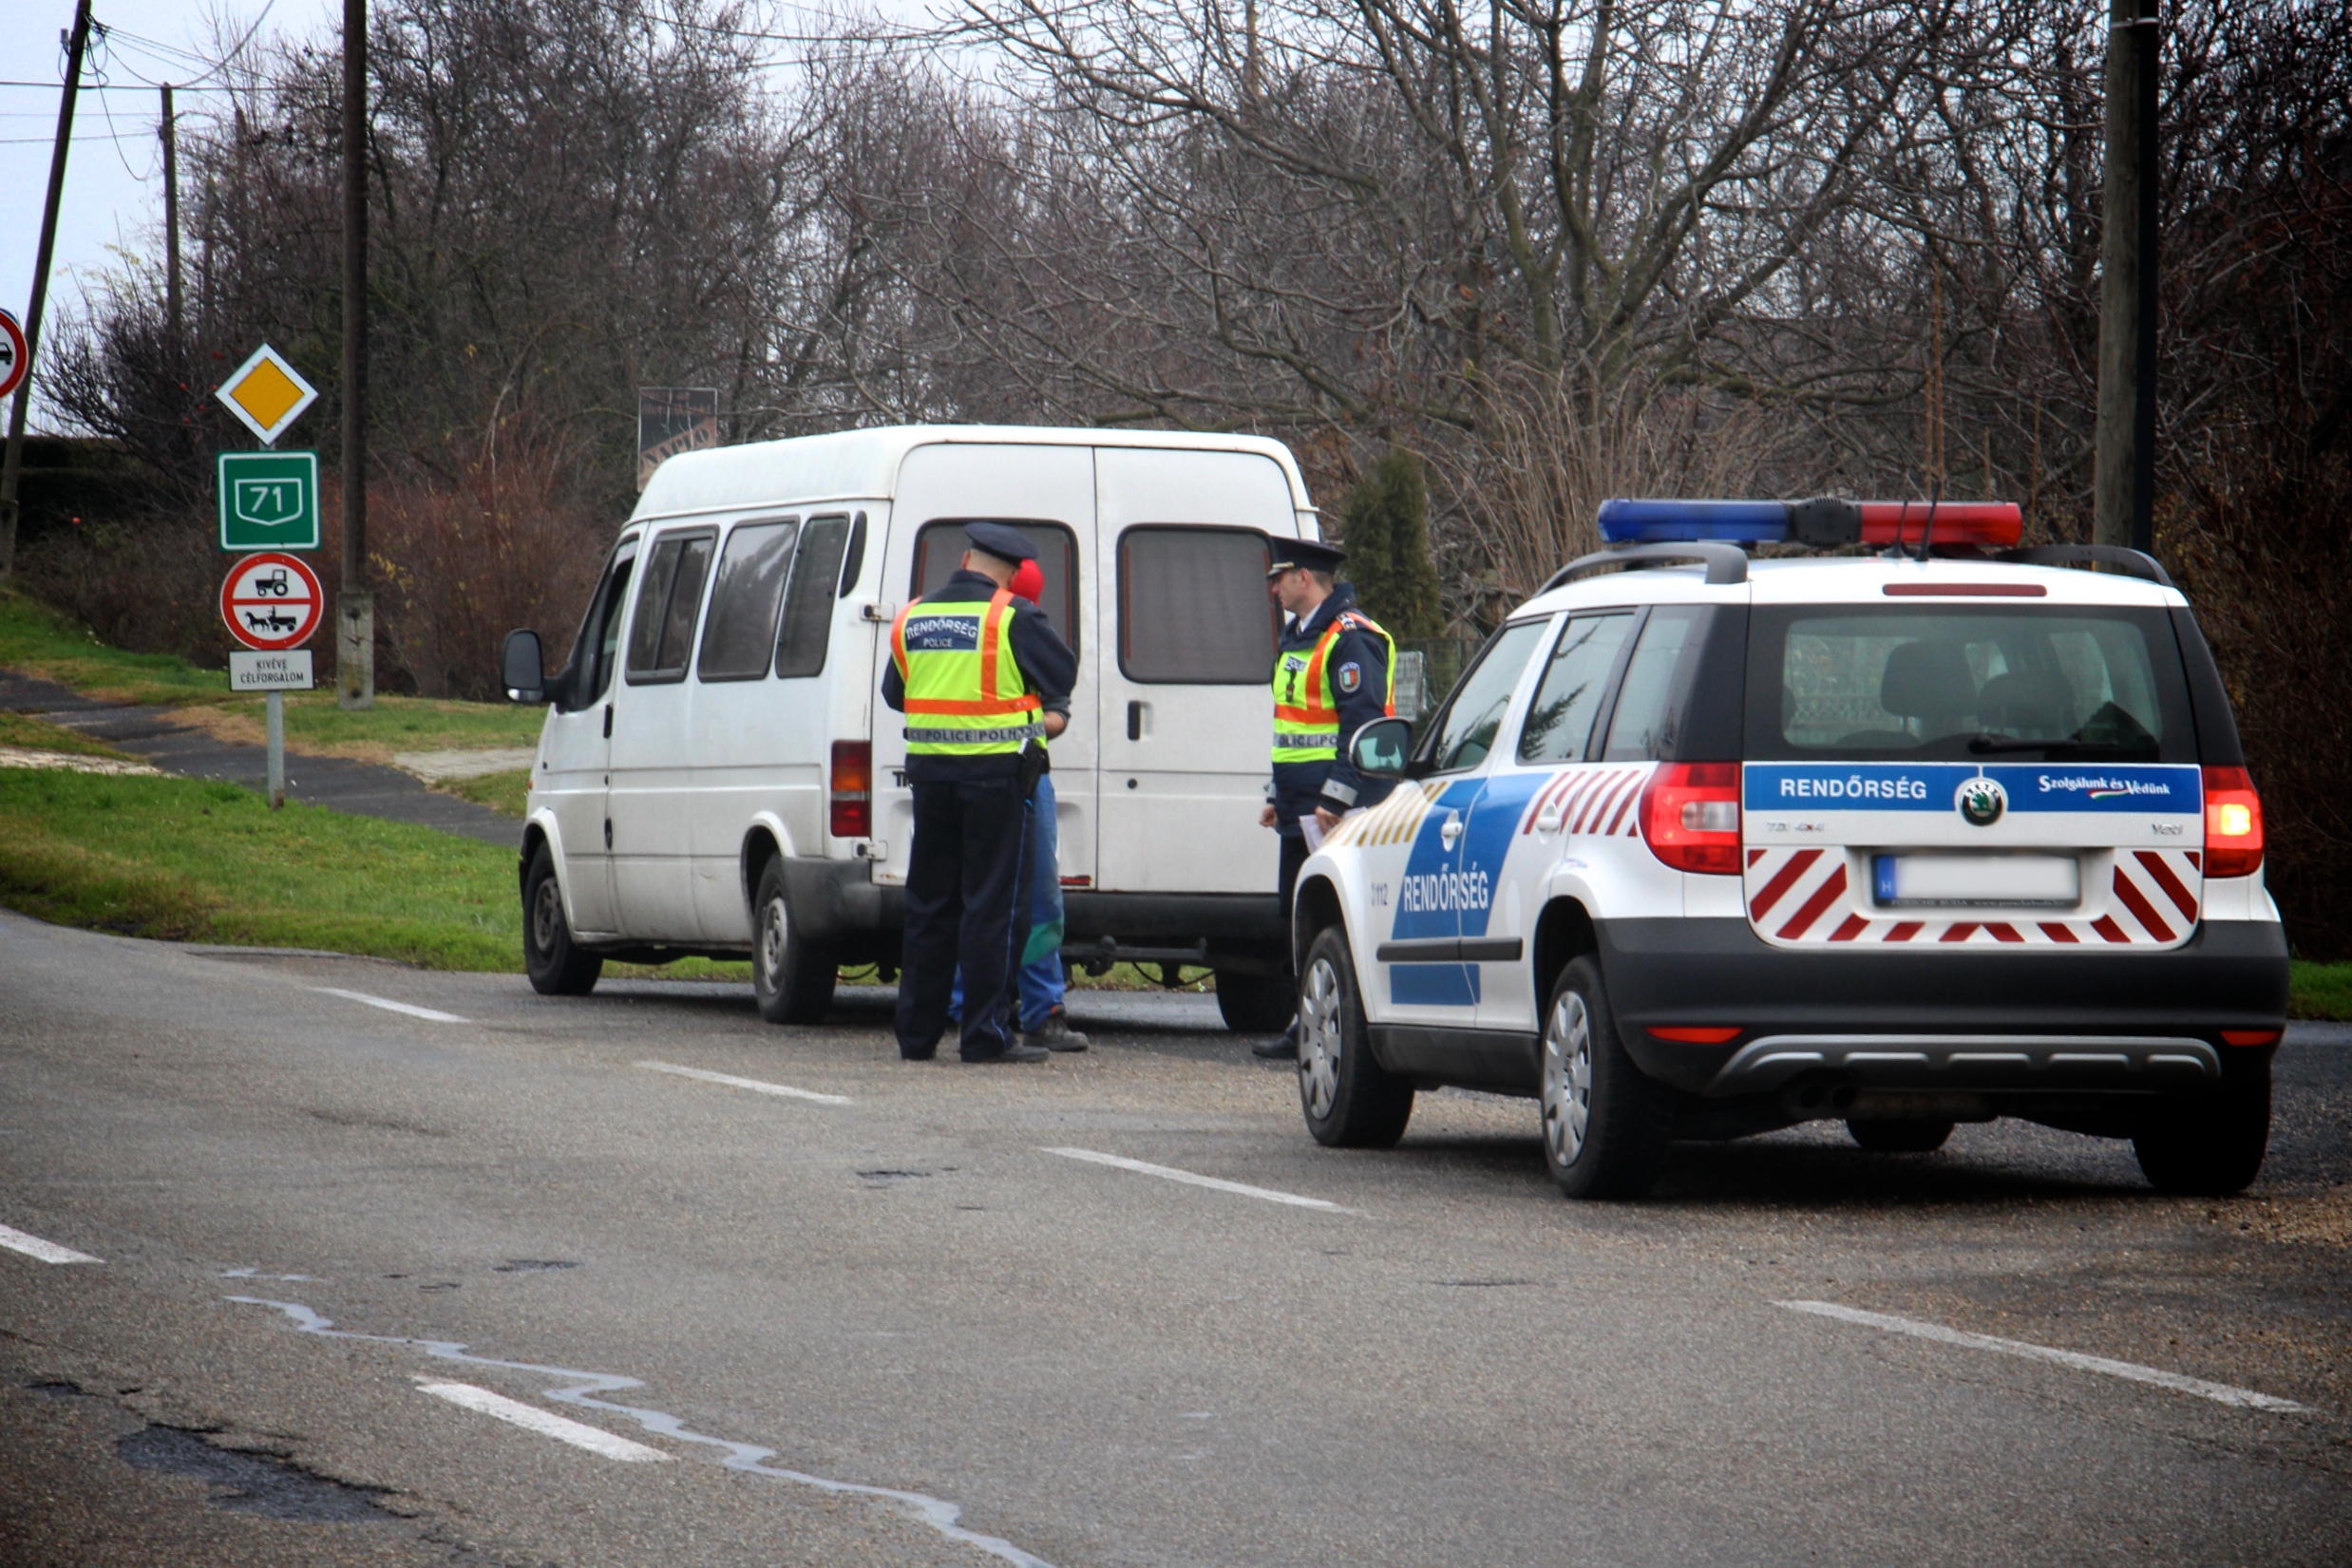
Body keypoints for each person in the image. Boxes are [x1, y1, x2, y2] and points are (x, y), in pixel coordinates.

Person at [883, 523, 1078, 1063]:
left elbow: (896, 694)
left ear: (966, 560)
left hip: (930, 780)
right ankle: (984, 1035)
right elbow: (1061, 674)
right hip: (995, 781)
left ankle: (916, 1036)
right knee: (991, 908)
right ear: (1012, 573)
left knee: (929, 906)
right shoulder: (1012, 615)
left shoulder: (912, 615)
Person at [1255, 536, 1396, 1060]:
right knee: (1298, 919)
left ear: (1304, 578)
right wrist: (1278, 794)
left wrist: (1334, 799)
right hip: (1300, 809)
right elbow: (1292, 725)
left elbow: (1363, 725)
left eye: (1279, 577)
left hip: (1337, 813)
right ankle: (1308, 1024)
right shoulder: (1299, 636)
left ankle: (1338, 1031)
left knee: (1335, 920)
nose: (1273, 587)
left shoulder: (1349, 638)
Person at [948, 557, 1090, 1051]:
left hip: (1024, 776)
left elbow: (1057, 712)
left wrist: (1016, 721)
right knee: (983, 894)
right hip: (980, 775)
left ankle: (1041, 1008)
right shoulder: (977, 630)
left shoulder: (1026, 631)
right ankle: (974, 1006)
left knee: (1037, 897)